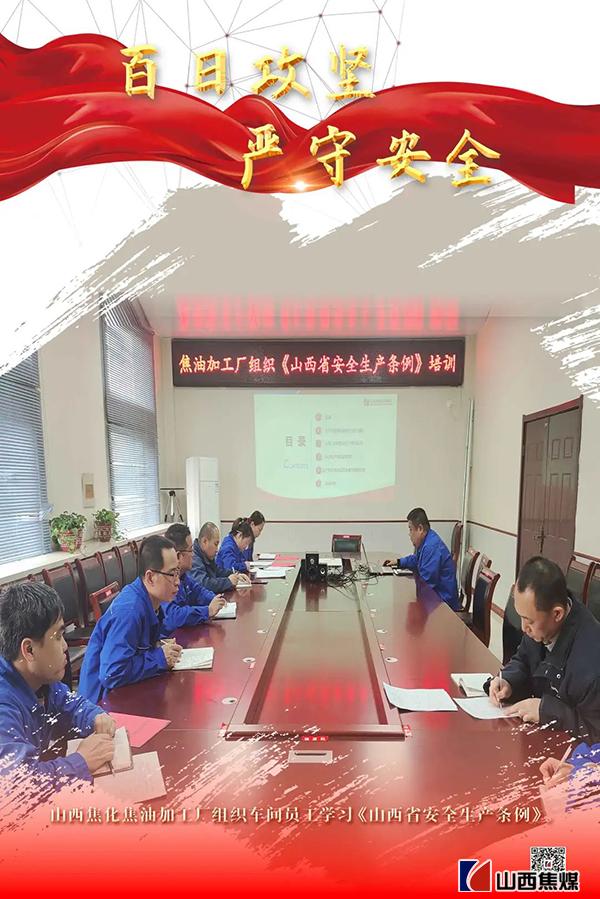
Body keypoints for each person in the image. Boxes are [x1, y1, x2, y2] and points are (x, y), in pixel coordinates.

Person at [0, 582, 116, 786]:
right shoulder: (4, 707)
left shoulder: (42, 680)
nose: (65, 646)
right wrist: (82, 761)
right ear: (29, 650)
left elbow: (70, 704)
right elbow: (17, 786)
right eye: (58, 636)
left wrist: (94, 717)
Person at [488, 556, 600, 741]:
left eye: (529, 621)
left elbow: (594, 731)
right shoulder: (542, 625)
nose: (523, 627)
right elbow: (523, 659)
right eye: (521, 617)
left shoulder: (591, 663)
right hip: (538, 739)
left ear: (557, 614)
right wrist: (508, 680)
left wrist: (545, 711)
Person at [78, 535, 183, 704]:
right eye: (171, 574)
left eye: (178, 572)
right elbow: (111, 674)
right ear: (150, 577)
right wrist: (159, 658)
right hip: (102, 703)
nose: (178, 582)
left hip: (127, 691)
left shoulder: (151, 602)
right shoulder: (129, 611)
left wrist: (159, 646)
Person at [384, 508, 459, 610]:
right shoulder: (427, 540)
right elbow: (416, 559)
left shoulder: (431, 547)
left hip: (444, 603)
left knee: (407, 608)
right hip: (435, 598)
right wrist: (398, 562)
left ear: (420, 529)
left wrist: (407, 587)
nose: (409, 534)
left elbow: (426, 582)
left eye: (411, 529)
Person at [161, 523, 227, 631]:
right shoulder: (165, 579)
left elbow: (199, 591)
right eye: (190, 550)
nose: (193, 554)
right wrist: (207, 611)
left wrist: (216, 599)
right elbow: (174, 615)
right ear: (178, 555)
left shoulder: (183, 576)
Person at [191, 522, 250, 593]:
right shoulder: (193, 558)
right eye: (215, 544)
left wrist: (236, 575)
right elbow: (203, 584)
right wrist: (228, 582)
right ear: (204, 541)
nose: (217, 549)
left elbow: (218, 571)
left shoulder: (206, 555)